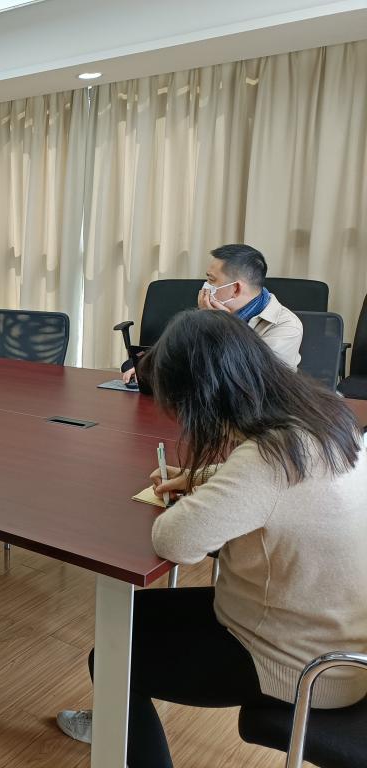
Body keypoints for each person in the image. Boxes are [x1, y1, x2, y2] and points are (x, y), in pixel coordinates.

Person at [60, 310, 367, 768]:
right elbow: (274, 491)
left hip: (299, 666)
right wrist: (202, 477)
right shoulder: (323, 418)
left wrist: (197, 494)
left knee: (114, 655)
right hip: (338, 639)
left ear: (206, 396)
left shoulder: (267, 459)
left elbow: (175, 541)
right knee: (126, 621)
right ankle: (118, 726)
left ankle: (121, 730)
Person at [123, 243, 302, 384]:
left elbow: (249, 380)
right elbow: (181, 355)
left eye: (211, 280)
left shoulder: (286, 326)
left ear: (236, 289)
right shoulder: (210, 311)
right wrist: (150, 369)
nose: (206, 286)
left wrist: (223, 326)